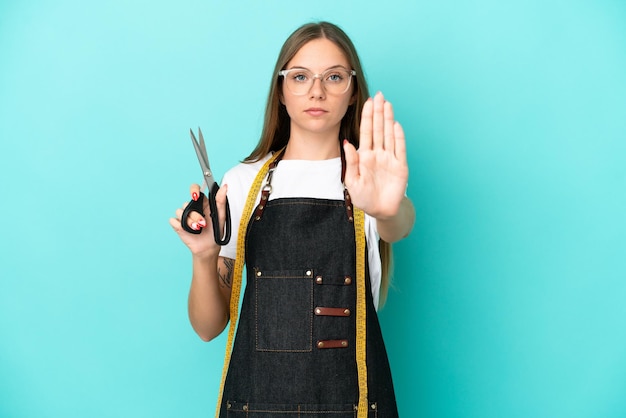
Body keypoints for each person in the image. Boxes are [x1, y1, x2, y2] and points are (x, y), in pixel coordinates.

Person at [170, 21, 415, 418]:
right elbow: (207, 327)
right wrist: (203, 255)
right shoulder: (242, 183)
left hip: (353, 407)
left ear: (353, 91)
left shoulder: (367, 176)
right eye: (300, 77)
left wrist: (388, 209)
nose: (316, 91)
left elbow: (398, 224)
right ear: (281, 91)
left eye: (334, 77)